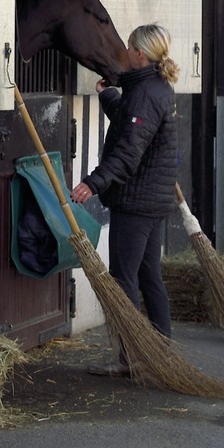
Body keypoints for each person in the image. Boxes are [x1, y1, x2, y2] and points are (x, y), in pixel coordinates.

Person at [69, 23, 180, 377]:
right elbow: (134, 127)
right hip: (153, 201)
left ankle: (133, 359)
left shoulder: (146, 93)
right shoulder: (153, 88)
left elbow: (129, 152)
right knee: (149, 277)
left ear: (139, 54)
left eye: (128, 45)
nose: (124, 50)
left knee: (124, 278)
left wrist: (92, 183)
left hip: (137, 203)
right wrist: (110, 97)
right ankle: (160, 354)